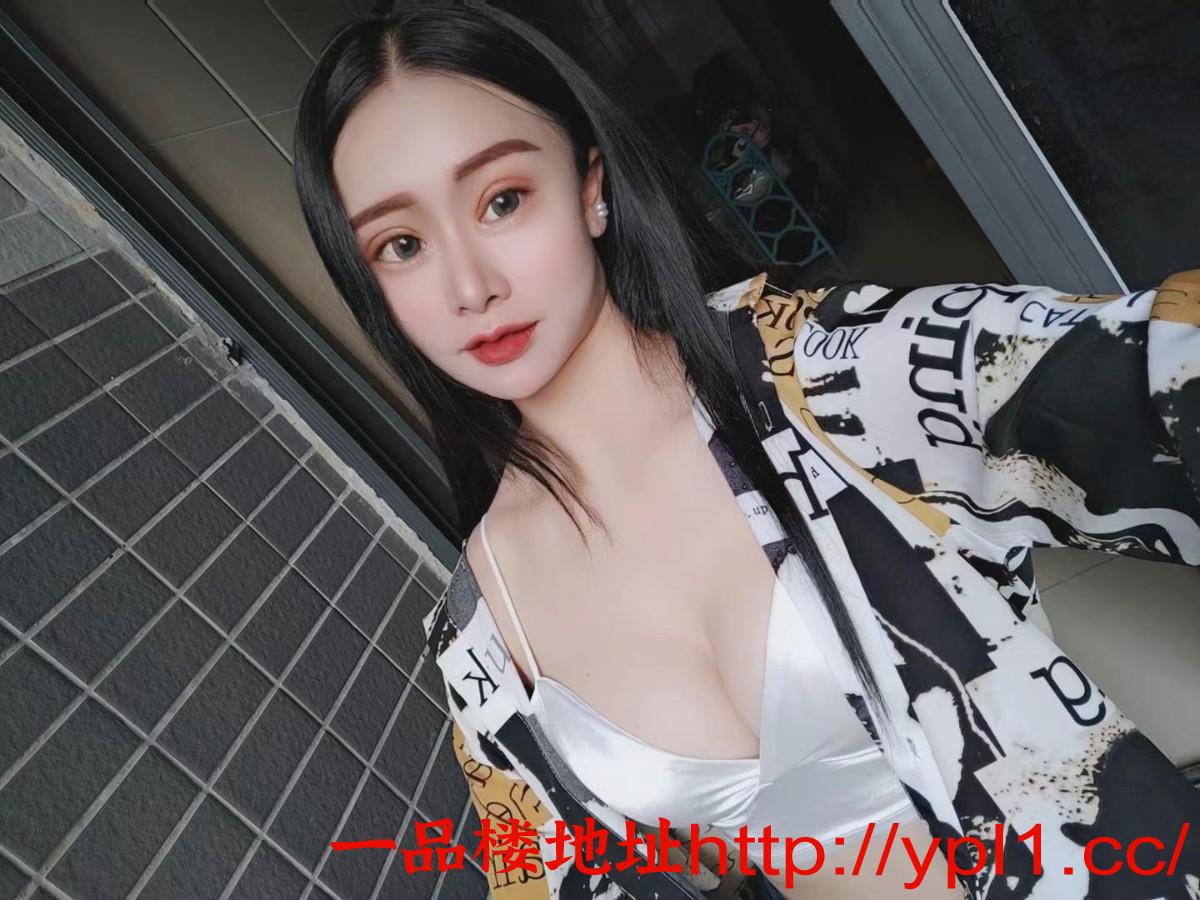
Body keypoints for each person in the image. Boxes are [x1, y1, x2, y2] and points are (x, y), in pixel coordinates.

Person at [292, 6, 1200, 900]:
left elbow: (1141, 376)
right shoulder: (483, 639)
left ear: (590, 189)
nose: (470, 285)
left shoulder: (824, 375)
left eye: (502, 200)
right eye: (402, 245)